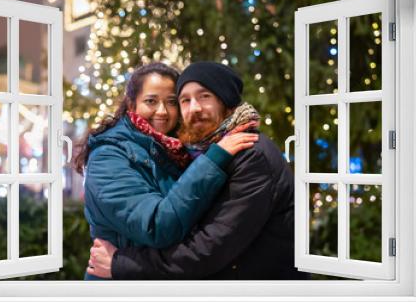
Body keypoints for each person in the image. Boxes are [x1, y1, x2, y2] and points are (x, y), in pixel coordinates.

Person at [87, 61, 309, 280]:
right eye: (185, 100)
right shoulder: (113, 155)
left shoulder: (248, 153)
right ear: (131, 104)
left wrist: (121, 264)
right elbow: (158, 224)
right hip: (119, 287)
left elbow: (208, 248)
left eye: (204, 96)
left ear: (227, 101)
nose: (193, 108)